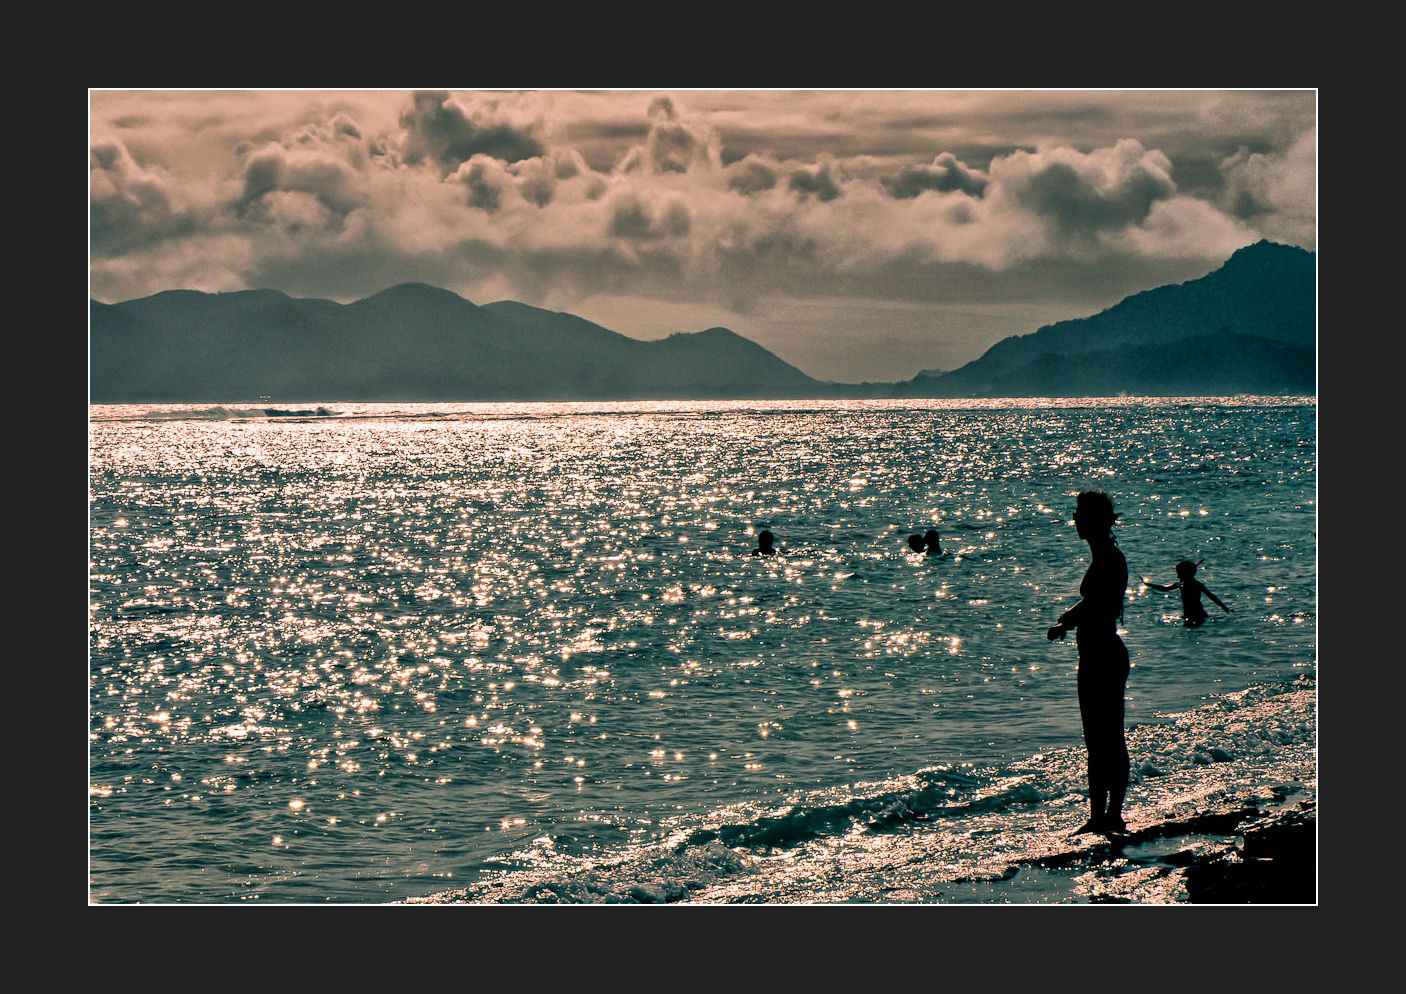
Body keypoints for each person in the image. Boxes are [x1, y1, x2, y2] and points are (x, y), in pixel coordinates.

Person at [1047, 490, 1131, 837]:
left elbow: (1097, 604)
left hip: (1103, 657)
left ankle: (1108, 815)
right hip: (1099, 655)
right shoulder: (1104, 556)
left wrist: (1065, 620)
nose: (1075, 519)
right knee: (1101, 737)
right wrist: (1070, 620)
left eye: (1080, 513)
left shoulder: (1109, 558)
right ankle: (1103, 815)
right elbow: (1097, 603)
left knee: (1104, 738)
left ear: (1094, 520)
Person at [1144, 560, 1231, 626]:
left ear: (1188, 574)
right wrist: (1149, 584)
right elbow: (1164, 589)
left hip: (1199, 615)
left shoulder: (1197, 585)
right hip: (1188, 616)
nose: (1178, 576)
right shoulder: (1180, 584)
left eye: (1179, 574)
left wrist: (1225, 608)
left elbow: (1212, 597)